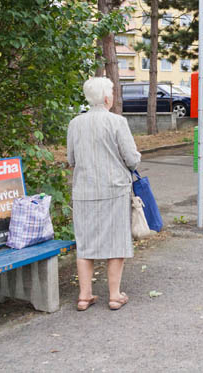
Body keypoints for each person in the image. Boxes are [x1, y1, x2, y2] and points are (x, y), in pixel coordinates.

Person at [67, 76, 141, 311]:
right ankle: (114, 295)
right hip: (114, 189)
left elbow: (71, 159)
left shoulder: (74, 124)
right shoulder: (117, 122)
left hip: (84, 190)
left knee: (85, 241)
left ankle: (84, 296)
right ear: (108, 98)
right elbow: (131, 159)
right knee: (116, 241)